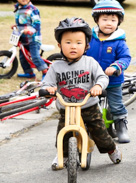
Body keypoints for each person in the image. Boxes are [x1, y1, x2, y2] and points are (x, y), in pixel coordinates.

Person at [42, 17, 122, 170]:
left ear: (86, 46)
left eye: (79, 43)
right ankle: (63, 155)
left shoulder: (90, 62)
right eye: (68, 42)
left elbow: (102, 77)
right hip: (67, 108)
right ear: (59, 45)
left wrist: (98, 86)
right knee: (63, 134)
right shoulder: (56, 66)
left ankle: (112, 149)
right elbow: (48, 83)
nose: (73, 46)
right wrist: (49, 89)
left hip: (88, 106)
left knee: (100, 132)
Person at [86, 0, 132, 143]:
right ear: (97, 20)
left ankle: (121, 126)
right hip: (92, 81)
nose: (108, 23)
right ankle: (89, 126)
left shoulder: (119, 41)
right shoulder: (89, 38)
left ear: (118, 22)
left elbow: (125, 57)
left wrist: (116, 67)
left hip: (112, 81)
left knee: (116, 105)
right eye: (104, 19)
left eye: (113, 20)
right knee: (88, 104)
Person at [11, 0, 47, 80]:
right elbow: (22, 22)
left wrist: (31, 30)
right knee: (23, 57)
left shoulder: (33, 9)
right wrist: (16, 25)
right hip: (23, 39)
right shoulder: (18, 9)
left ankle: (45, 71)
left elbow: (36, 23)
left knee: (35, 57)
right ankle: (29, 73)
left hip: (33, 39)